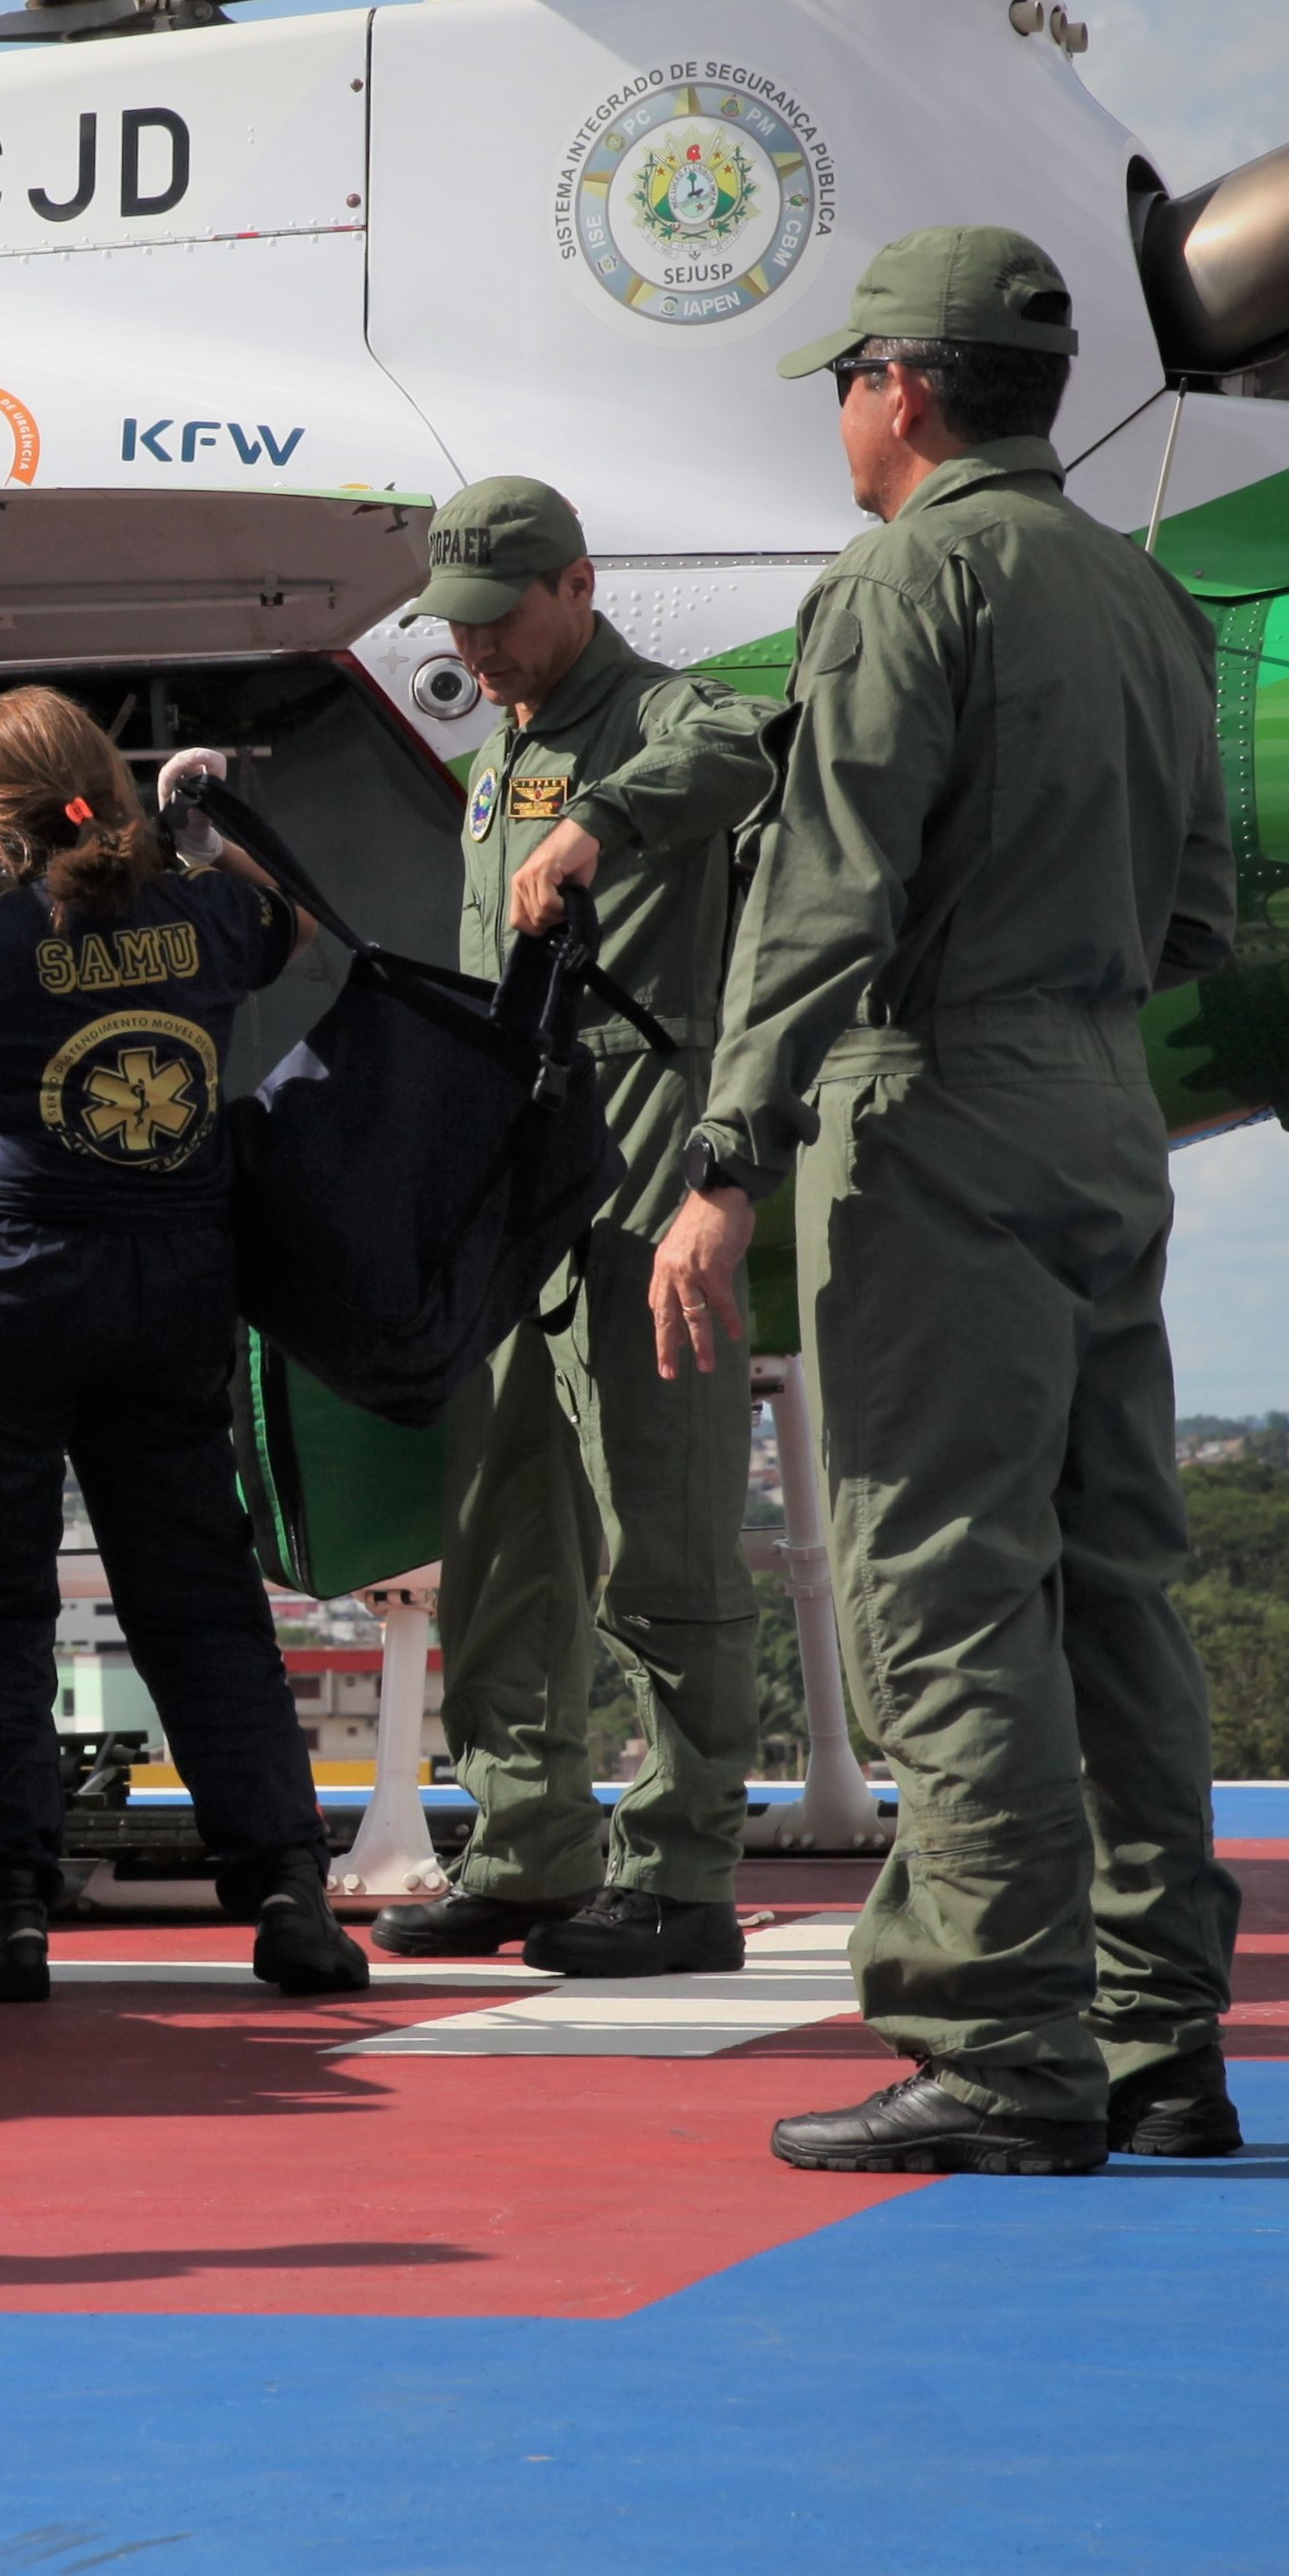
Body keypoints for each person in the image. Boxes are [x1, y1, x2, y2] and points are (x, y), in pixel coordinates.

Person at [646, 225, 1248, 2176]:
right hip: (1100, 1097)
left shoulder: (908, 577)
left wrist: (726, 1152)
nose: (840, 413)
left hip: (940, 1100)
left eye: (846, 380)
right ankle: (1161, 2037)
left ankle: (997, 2044)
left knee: (943, 1582)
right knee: (1116, 1586)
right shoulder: (1145, 594)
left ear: (901, 385)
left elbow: (828, 890)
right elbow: (1196, 912)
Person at [369, 478, 782, 1979]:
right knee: (498, 1533)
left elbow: (740, 750)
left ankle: (678, 1867)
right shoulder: (501, 756)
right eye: (456, 628)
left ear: (576, 586)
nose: (475, 653)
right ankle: (523, 1842)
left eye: (498, 620)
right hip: (517, 1175)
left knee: (657, 1534)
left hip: (638, 1163)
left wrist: (603, 822)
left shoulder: (659, 719)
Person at [0, 690, 363, 2006]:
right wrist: (198, 816)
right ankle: (285, 1883)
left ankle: (4, 1905)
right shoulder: (205, 917)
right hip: (173, 1281)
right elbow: (295, 909)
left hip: (4, 1290)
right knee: (198, 1591)